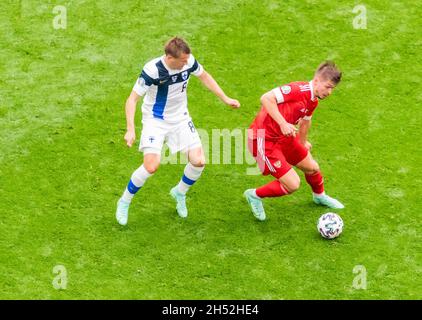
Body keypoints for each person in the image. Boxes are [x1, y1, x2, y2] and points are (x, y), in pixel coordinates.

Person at [116, 37, 240, 225]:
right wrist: (130, 129)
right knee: (151, 166)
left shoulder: (188, 61)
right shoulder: (152, 70)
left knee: (199, 161)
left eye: (186, 60)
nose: (185, 64)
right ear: (169, 57)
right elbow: (131, 100)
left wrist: (225, 98)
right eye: (181, 61)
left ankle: (179, 192)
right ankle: (124, 201)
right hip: (155, 120)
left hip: (180, 118)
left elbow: (204, 76)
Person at [244, 61, 344, 221]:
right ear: (317, 81)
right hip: (264, 140)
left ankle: (319, 196)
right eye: (328, 86)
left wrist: (303, 143)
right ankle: (254, 195)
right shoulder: (297, 90)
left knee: (312, 168)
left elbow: (305, 121)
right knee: (293, 184)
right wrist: (283, 123)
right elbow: (266, 98)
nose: (329, 92)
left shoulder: (314, 100)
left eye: (332, 88)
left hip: (286, 137)